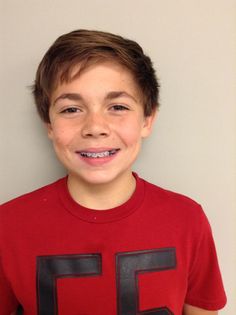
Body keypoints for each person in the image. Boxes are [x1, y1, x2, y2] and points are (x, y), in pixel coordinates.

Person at [0, 29, 226, 315]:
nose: (95, 127)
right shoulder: (7, 226)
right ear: (49, 125)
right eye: (71, 109)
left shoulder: (188, 220)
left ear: (147, 120)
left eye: (117, 106)